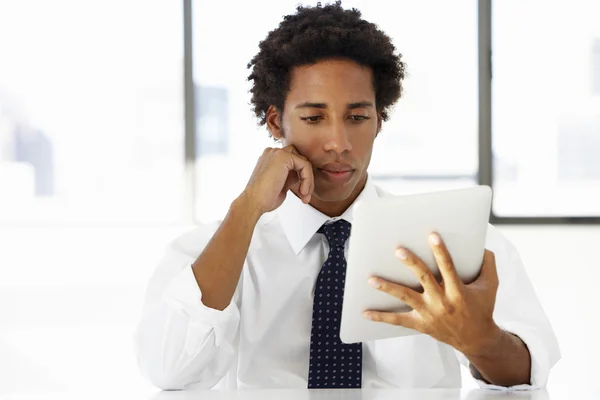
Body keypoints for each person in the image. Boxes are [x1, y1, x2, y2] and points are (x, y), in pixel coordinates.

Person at [134, 1, 560, 390]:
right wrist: (247, 208)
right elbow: (169, 371)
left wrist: (482, 340)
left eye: (357, 116)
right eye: (314, 117)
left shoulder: (451, 242)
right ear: (275, 122)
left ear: (379, 121)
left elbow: (527, 381)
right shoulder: (210, 251)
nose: (339, 142)